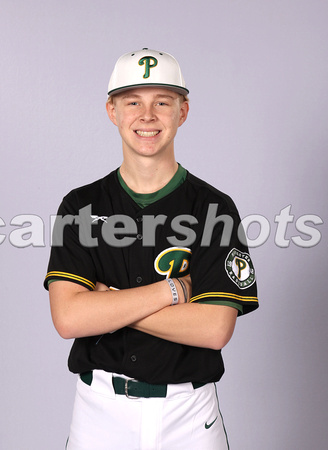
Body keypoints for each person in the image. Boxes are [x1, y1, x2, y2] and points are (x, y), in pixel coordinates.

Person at [44, 48, 258, 450]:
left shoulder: (214, 209)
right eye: (132, 102)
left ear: (183, 111)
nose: (147, 116)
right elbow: (70, 318)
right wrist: (172, 292)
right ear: (112, 111)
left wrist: (108, 306)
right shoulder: (80, 207)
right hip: (100, 412)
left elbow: (214, 329)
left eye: (162, 102)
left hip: (188, 413)